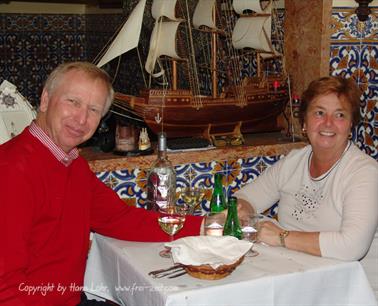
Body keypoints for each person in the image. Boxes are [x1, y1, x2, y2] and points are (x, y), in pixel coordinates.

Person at [0, 62, 205, 306]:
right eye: (73, 102)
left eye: (94, 109)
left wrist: (209, 225)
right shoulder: (12, 170)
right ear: (45, 100)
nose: (82, 118)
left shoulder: (73, 165)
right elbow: (5, 289)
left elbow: (121, 219)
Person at [235, 76, 378, 295]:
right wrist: (241, 209)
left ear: (350, 125)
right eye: (319, 113)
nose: (328, 123)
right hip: (298, 284)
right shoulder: (295, 161)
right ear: (304, 122)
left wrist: (281, 237)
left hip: (351, 293)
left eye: (339, 115)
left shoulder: (364, 173)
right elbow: (246, 196)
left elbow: (351, 246)